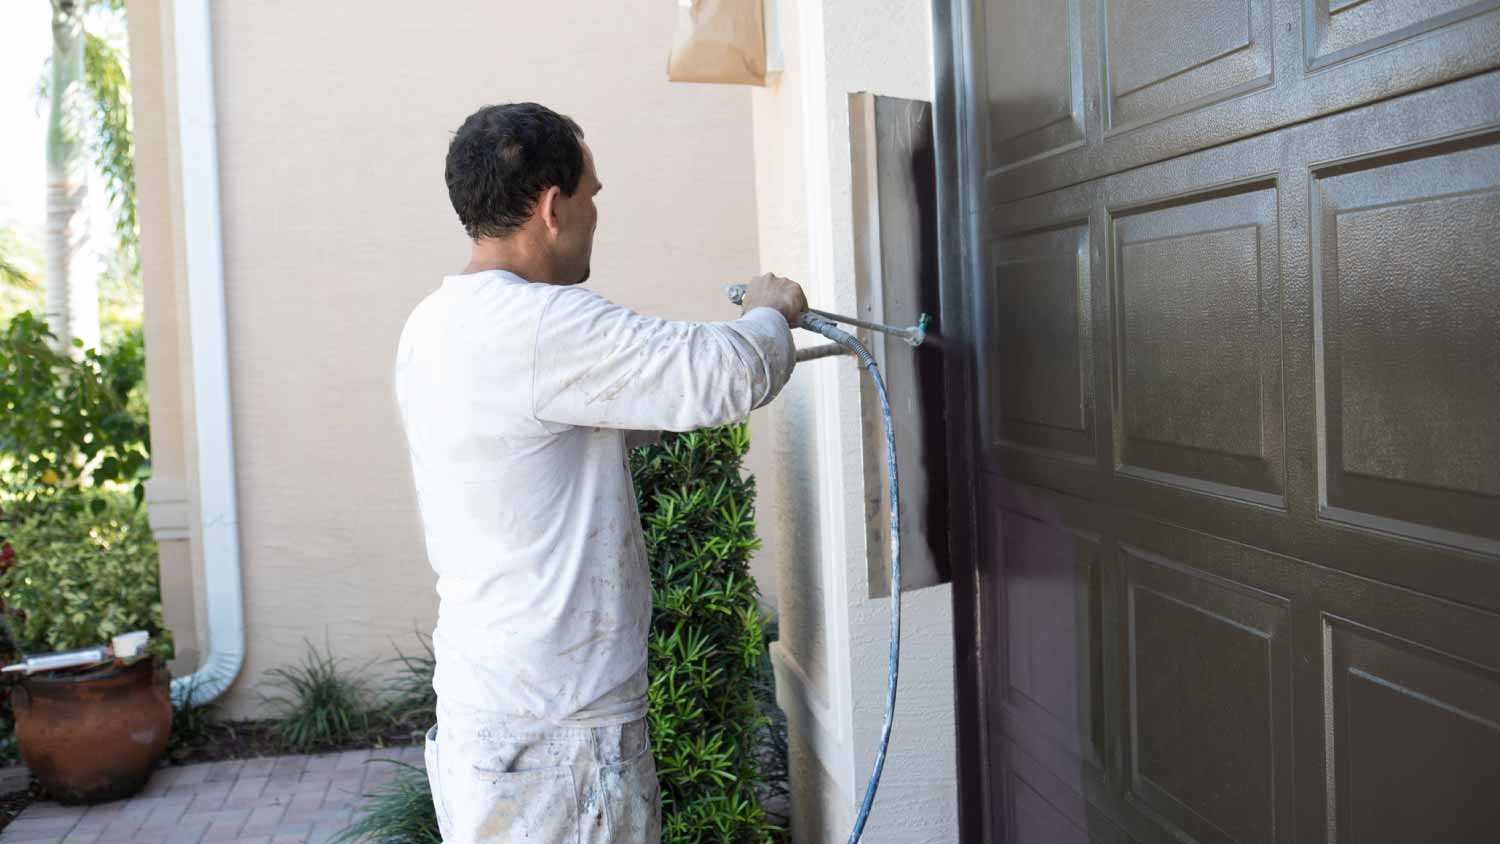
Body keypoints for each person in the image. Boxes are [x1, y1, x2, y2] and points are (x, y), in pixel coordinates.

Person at [393, 102, 807, 843]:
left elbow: (579, 424)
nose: (594, 215)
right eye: (593, 195)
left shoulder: (433, 326)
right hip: (560, 739)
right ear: (553, 207)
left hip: (489, 718)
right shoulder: (542, 326)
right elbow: (725, 375)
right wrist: (772, 314)